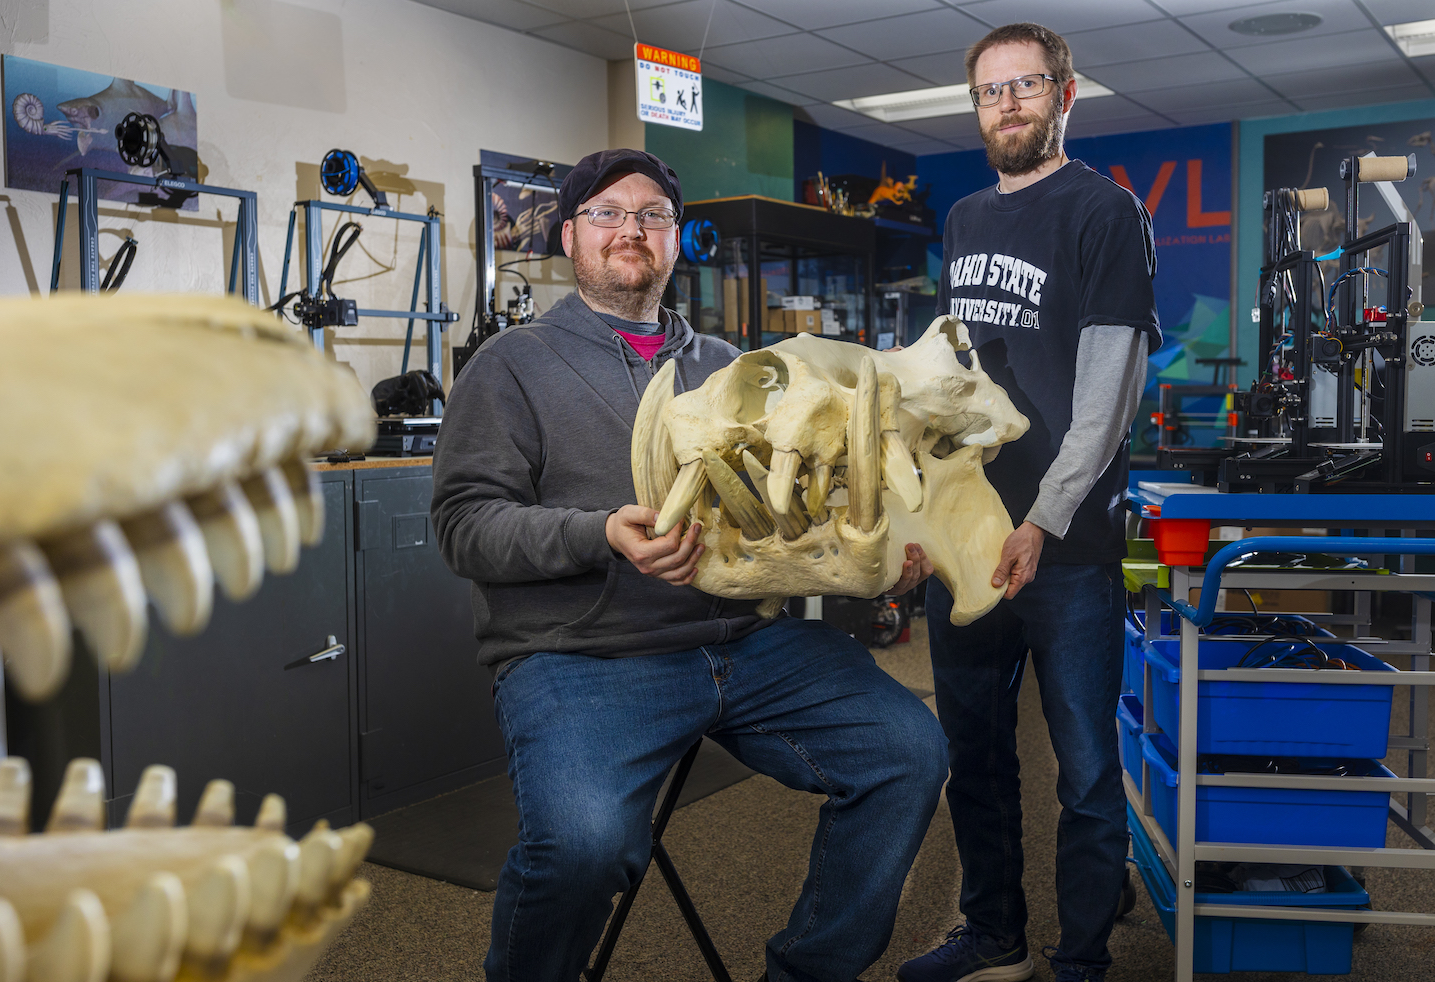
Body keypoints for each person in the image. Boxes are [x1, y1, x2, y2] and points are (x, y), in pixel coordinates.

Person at [432, 148, 949, 982]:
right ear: (570, 237)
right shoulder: (509, 366)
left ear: (676, 242)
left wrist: (872, 558)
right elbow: (465, 527)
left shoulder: (733, 367)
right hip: (584, 656)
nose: (630, 231)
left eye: (653, 217)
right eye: (606, 214)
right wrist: (600, 531)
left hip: (749, 644)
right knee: (582, 846)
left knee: (911, 750)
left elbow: (792, 514)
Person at [897, 23, 1161, 982]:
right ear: (976, 108)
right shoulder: (964, 219)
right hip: (966, 535)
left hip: (1068, 549)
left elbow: (1108, 395)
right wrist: (921, 511)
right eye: (989, 92)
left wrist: (1042, 520)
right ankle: (995, 935)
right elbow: (946, 386)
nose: (1007, 105)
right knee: (977, 755)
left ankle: (1084, 952)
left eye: (1026, 86)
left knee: (1086, 769)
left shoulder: (1104, 212)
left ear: (1066, 94)